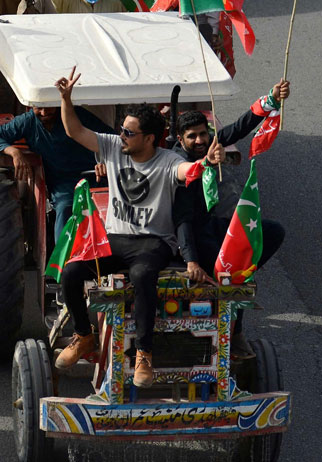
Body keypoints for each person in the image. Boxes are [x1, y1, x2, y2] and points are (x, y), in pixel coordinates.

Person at [53, 69, 223, 387]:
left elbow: (189, 169)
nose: (122, 137)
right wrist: (66, 99)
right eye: (122, 130)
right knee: (72, 272)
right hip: (115, 238)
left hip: (153, 242)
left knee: (142, 275)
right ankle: (83, 336)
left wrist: (208, 161)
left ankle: (144, 353)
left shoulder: (168, 161)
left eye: (129, 133)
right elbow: (75, 131)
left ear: (148, 139)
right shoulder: (115, 148)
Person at [171, 83, 290, 354]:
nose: (200, 141)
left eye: (204, 135)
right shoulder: (176, 163)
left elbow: (240, 127)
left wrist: (271, 99)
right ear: (181, 140)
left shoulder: (209, 146)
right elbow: (184, 218)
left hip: (211, 225)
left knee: (271, 232)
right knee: (231, 273)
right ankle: (234, 332)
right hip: (188, 236)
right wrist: (190, 260)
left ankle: (244, 274)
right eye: (192, 137)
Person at [0, 103, 111, 232]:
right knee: (65, 207)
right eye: (39, 108)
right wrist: (14, 152)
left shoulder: (76, 115)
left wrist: (105, 162)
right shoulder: (28, 121)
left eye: (49, 107)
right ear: (31, 106)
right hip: (63, 183)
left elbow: (111, 139)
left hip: (94, 176)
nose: (44, 113)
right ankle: (63, 251)